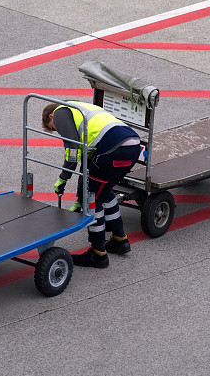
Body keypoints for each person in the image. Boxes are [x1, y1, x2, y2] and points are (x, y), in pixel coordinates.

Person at [42, 101, 140, 268]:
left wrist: (63, 178)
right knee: (104, 192)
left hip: (113, 149)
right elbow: (86, 166)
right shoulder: (79, 110)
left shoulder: (60, 112)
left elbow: (73, 149)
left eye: (54, 128)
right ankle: (119, 240)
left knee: (92, 199)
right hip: (132, 144)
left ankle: (98, 254)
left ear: (51, 116)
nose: (58, 131)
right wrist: (78, 197)